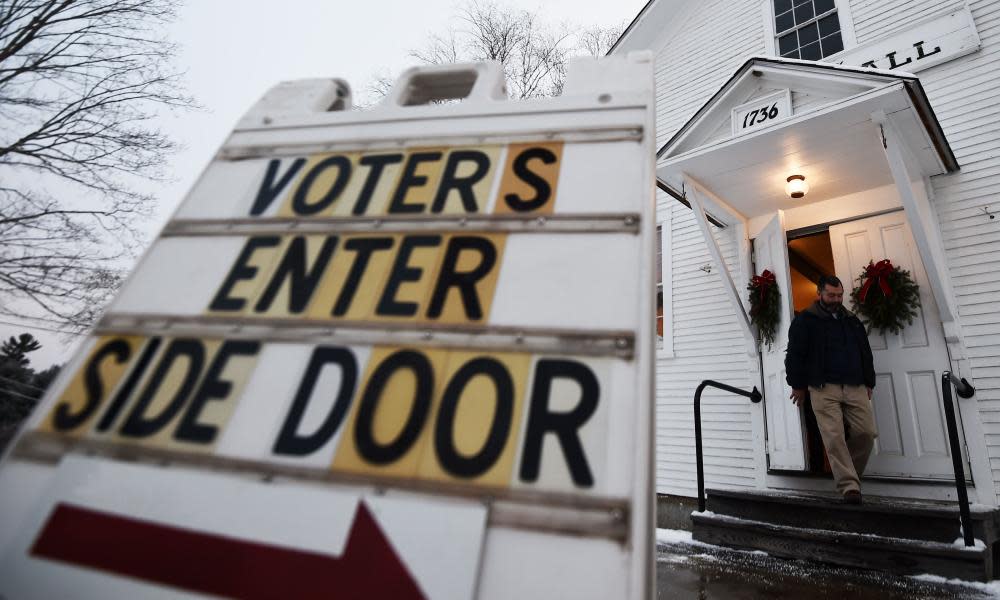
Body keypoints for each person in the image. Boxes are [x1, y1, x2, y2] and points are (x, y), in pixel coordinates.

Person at [785, 275, 877, 504]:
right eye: (831, 295)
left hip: (854, 384)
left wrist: (869, 381)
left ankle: (850, 474)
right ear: (819, 294)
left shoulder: (852, 320)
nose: (836, 299)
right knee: (833, 437)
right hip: (822, 387)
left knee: (866, 433)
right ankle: (849, 487)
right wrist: (798, 385)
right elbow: (795, 355)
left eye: (839, 295)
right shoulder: (805, 321)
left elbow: (865, 351)